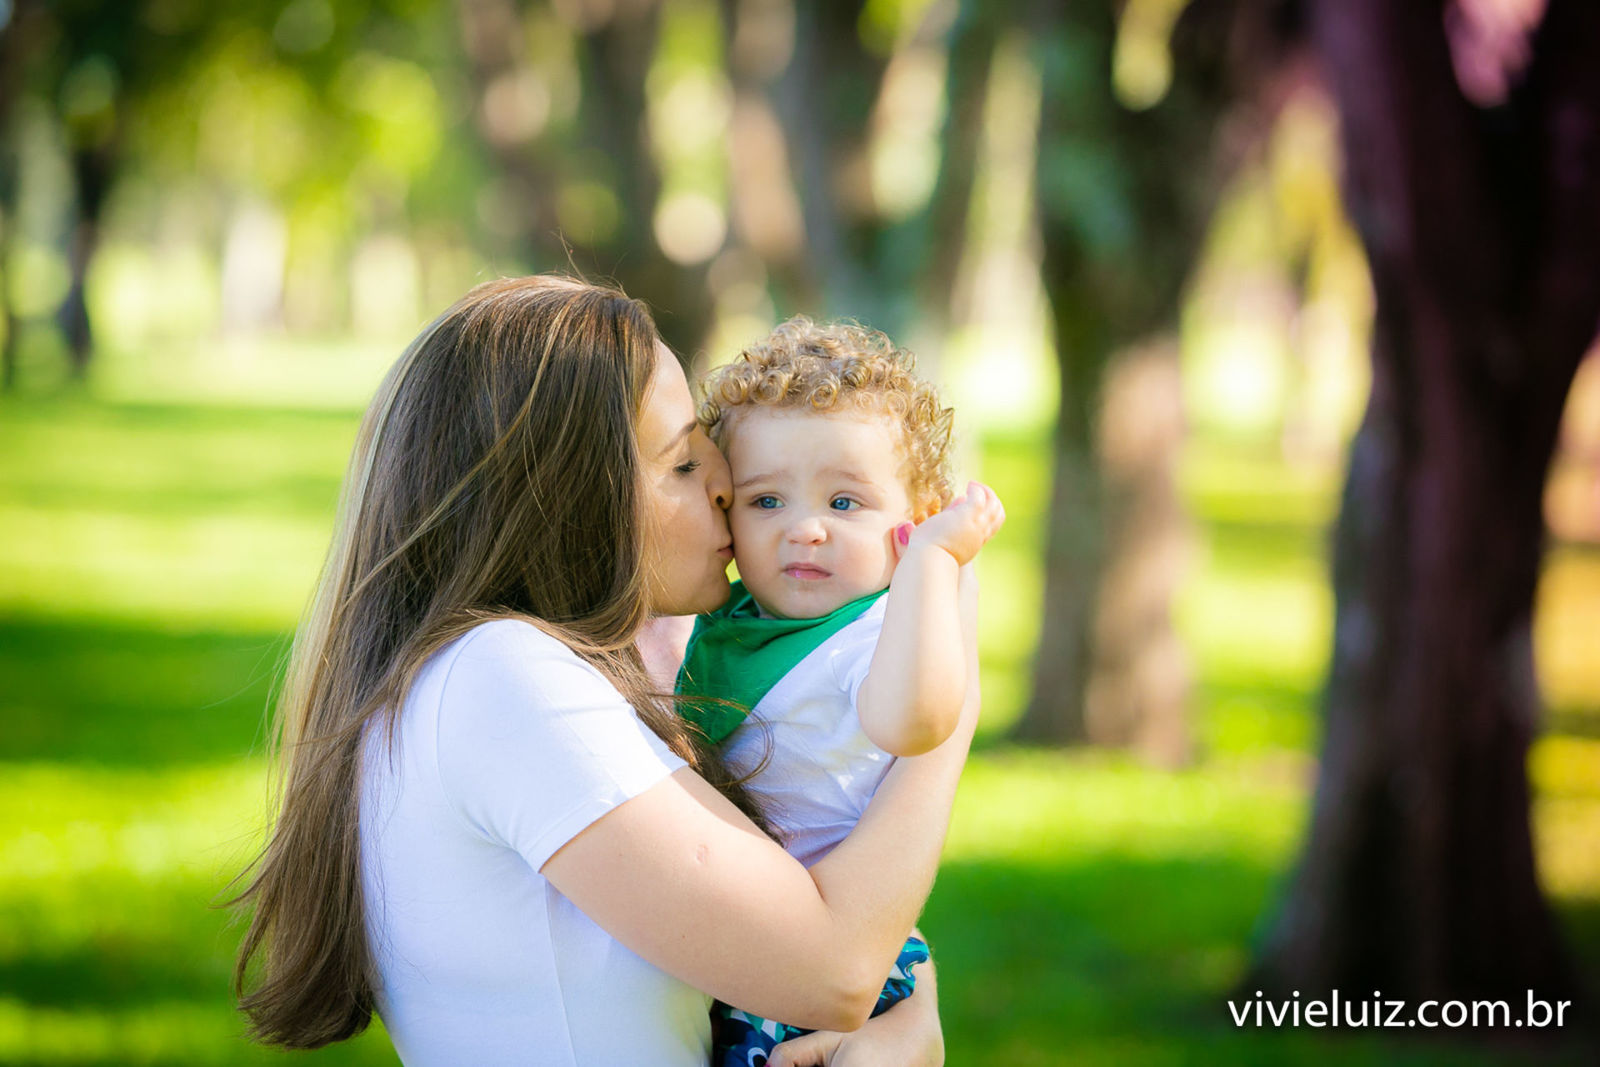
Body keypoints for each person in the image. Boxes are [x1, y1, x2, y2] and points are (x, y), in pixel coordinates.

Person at [231, 276, 978, 1065]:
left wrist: (907, 1012)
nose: (726, 482)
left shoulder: (522, 671)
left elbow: (815, 913)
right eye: (683, 461)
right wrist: (948, 696)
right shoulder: (504, 680)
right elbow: (833, 970)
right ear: (573, 498)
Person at [676, 318, 1004, 1065]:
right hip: (749, 941)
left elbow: (914, 722)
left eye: (845, 503)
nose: (806, 530)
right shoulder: (735, 619)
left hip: (820, 958)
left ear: (915, 520)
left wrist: (931, 568)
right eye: (767, 502)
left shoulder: (876, 632)